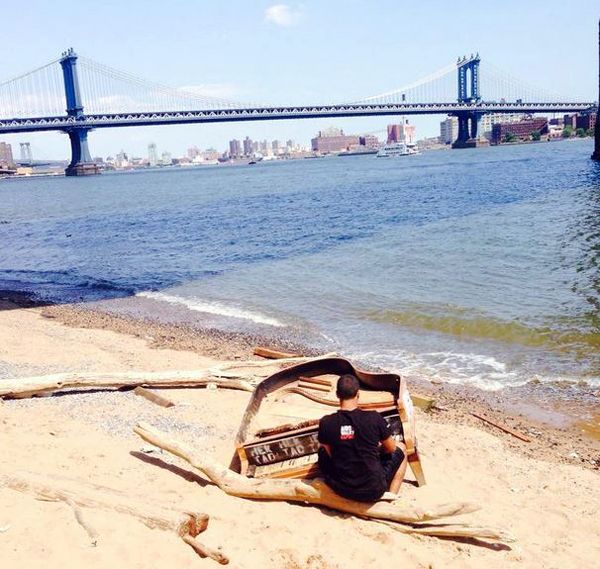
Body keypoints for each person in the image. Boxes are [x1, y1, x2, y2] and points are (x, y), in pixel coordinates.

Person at [317, 373, 407, 502]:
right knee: (402, 448)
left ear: (337, 395)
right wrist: (376, 450)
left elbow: (330, 454)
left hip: (341, 488)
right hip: (373, 490)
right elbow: (392, 448)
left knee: (322, 451)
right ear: (358, 394)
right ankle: (391, 497)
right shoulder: (374, 418)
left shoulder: (326, 422)